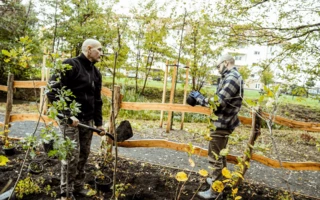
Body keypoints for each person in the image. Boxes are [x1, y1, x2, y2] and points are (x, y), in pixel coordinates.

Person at [47, 39, 105, 200]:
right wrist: (67, 114)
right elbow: (51, 91)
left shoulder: (96, 73)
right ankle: (65, 192)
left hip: (87, 121)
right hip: (70, 120)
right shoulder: (70, 65)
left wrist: (99, 123)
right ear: (89, 49)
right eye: (99, 50)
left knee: (84, 154)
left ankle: (78, 187)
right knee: (71, 156)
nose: (101, 53)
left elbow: (97, 100)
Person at [187, 54, 243, 199]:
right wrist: (202, 98)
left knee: (215, 157)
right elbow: (219, 98)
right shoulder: (229, 77)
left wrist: (199, 99)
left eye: (218, 66)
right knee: (221, 156)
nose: (218, 70)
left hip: (222, 123)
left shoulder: (232, 77)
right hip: (222, 122)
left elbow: (219, 102)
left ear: (226, 63)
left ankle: (215, 192)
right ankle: (219, 182)